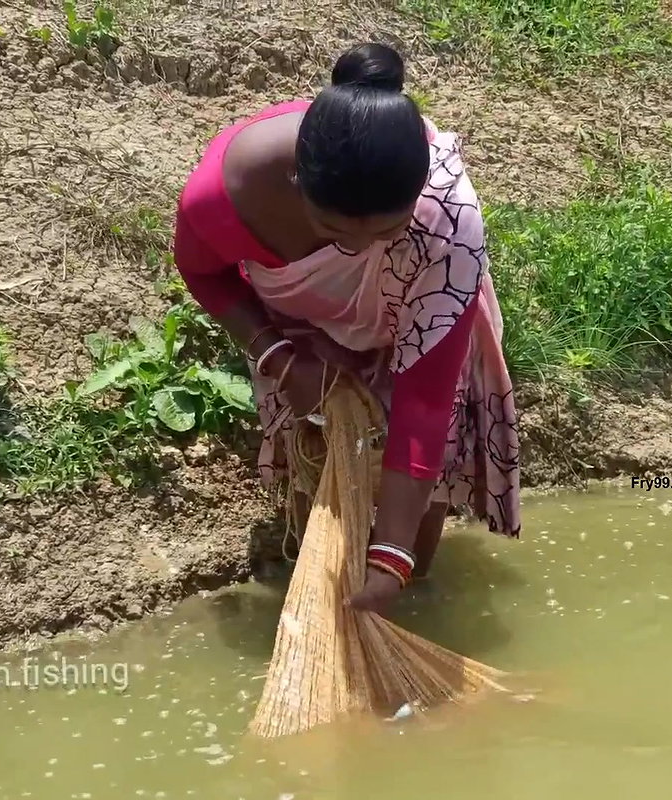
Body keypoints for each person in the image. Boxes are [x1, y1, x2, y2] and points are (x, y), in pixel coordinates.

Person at [171, 42, 521, 614]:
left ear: (417, 197)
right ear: (297, 182)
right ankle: (318, 587)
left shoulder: (444, 222)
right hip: (300, 329)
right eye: (333, 230)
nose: (357, 249)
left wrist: (392, 559)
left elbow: (425, 402)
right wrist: (278, 356)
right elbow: (203, 272)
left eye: (385, 234)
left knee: (417, 513)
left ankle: (403, 577)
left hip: (412, 321)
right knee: (317, 464)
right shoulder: (225, 198)